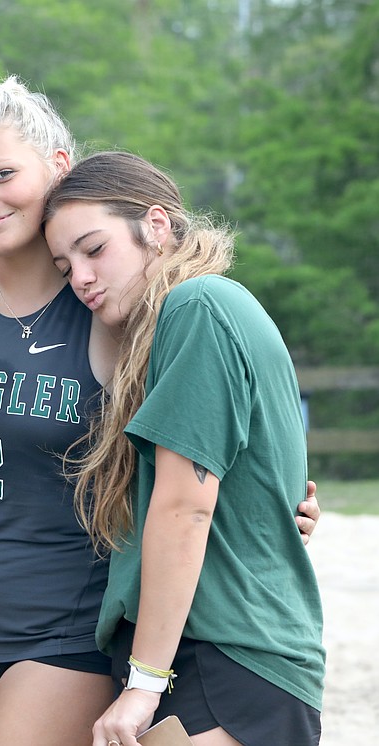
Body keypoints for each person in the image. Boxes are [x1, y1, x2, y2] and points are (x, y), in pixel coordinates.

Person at [0, 76, 321, 746]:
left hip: (73, 624)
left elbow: (202, 457)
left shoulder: (129, 306)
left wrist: (268, 504)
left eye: (1, 174)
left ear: (59, 166)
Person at [42, 151, 325, 746]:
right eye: (65, 267)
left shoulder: (198, 307)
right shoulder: (192, 316)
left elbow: (184, 507)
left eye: (95, 250)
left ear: (156, 225)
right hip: (210, 647)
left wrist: (144, 683)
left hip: (223, 654)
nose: (81, 278)